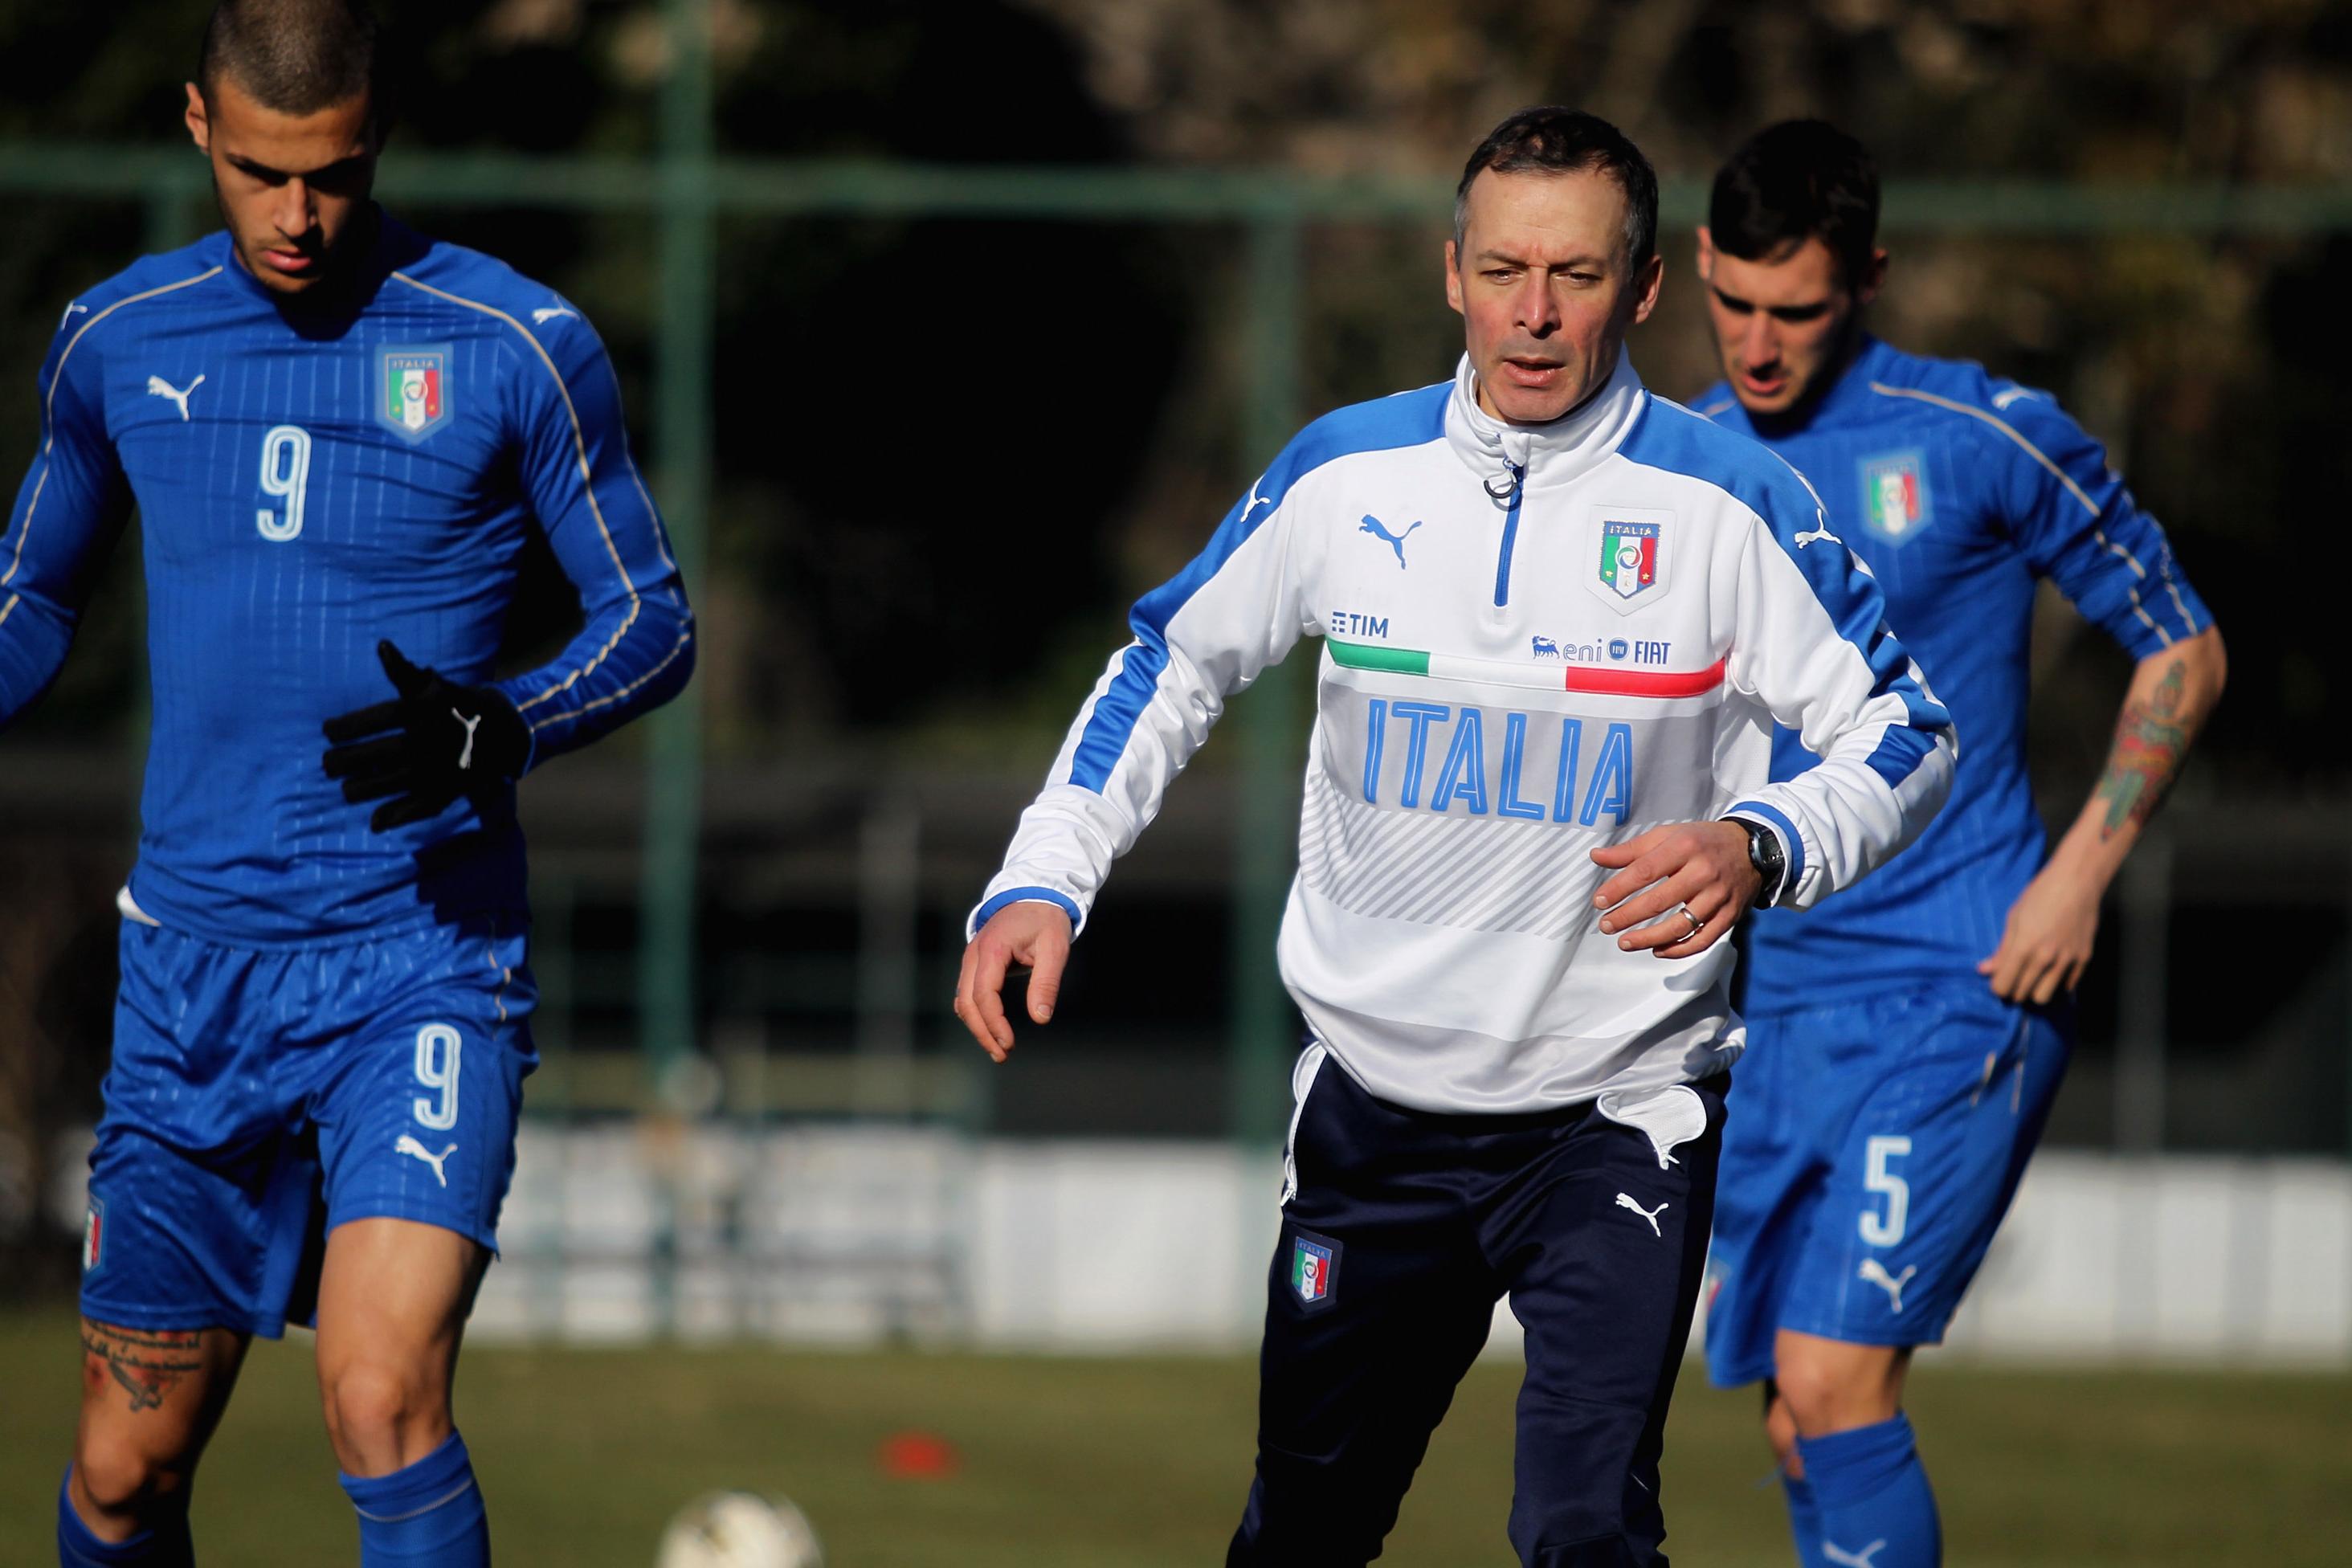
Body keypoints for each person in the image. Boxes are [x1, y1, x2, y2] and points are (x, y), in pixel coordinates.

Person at [953, 105, 1955, 1567]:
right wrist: (1045, 873)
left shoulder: (1730, 506)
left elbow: (1908, 732)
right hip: (1373, 1118)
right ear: (1451, 274)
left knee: (1581, 1535)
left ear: (1646, 285)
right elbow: (1168, 664)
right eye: (1502, 271)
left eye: (1577, 275)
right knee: (1301, 1533)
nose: (1535, 316)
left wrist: (1763, 842)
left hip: (1616, 1117)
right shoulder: (1344, 477)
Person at [6, 3, 694, 1562]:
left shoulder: (515, 345)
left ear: (376, 138)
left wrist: (506, 725)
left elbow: (652, 619)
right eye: (260, 174)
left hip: (421, 967)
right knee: (125, 1473)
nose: (299, 215)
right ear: (197, 125)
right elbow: (32, 598)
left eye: (332, 173)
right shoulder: (118, 338)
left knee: (381, 1394)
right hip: (190, 978)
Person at [1689, 120, 2224, 1568]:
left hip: (1961, 981)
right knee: (1798, 1420)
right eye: (1732, 302)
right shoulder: (1679, 470)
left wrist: (2081, 870)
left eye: (1793, 310)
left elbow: (2182, 648)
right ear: (1697, 267)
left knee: (1834, 1384)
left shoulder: (1981, 433)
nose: (1757, 341)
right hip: (1769, 1013)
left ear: (1867, 278)